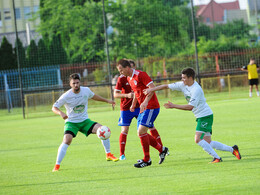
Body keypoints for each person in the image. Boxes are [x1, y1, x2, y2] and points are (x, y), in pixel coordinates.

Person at [144, 67, 241, 163]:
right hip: (201, 116)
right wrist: (152, 90)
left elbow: (190, 107)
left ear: (190, 78)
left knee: (198, 139)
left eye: (184, 78)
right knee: (208, 142)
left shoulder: (196, 89)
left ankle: (217, 158)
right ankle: (233, 149)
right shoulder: (183, 85)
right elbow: (166, 86)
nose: (182, 80)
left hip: (205, 116)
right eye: (182, 78)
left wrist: (174, 106)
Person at [52, 73, 118, 172]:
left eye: (77, 83)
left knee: (102, 129)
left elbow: (94, 96)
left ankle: (108, 154)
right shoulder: (66, 96)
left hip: (85, 121)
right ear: (70, 84)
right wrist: (60, 113)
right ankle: (57, 165)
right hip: (72, 122)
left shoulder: (85, 90)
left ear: (80, 82)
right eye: (73, 83)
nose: (76, 85)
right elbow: (54, 107)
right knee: (67, 140)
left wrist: (107, 101)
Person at [117, 59, 168, 168]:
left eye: (121, 70)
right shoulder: (129, 78)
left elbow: (152, 88)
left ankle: (147, 159)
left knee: (141, 131)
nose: (120, 73)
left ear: (127, 68)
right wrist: (133, 104)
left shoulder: (141, 75)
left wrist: (145, 102)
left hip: (151, 107)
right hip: (143, 108)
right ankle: (161, 149)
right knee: (141, 133)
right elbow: (136, 92)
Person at [114, 59, 140, 160]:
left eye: (133, 67)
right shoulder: (121, 79)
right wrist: (127, 95)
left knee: (147, 128)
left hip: (139, 107)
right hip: (125, 108)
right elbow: (115, 94)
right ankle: (122, 154)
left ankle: (161, 149)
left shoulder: (138, 76)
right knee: (124, 130)